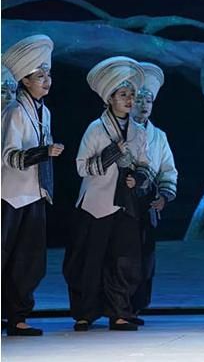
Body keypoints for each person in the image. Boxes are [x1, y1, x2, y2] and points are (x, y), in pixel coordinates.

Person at [63, 56, 151, 332]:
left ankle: (120, 312)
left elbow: (145, 165)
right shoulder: (96, 128)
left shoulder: (138, 131)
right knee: (90, 259)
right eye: (123, 95)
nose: (129, 100)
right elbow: (81, 167)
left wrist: (137, 178)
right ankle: (84, 313)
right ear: (109, 98)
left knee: (124, 260)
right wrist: (113, 153)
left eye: (131, 95)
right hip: (96, 203)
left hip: (125, 204)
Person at [2, 35, 63, 336]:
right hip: (10, 195)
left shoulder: (44, 111)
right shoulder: (14, 110)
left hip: (35, 194)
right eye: (40, 76)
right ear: (25, 80)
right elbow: (9, 155)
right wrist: (43, 152)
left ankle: (17, 317)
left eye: (48, 74)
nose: (47, 80)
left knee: (29, 260)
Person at [129, 62, 178, 323]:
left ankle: (135, 307)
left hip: (146, 203)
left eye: (148, 101)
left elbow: (168, 169)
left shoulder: (158, 135)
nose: (143, 105)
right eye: (138, 100)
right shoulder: (119, 130)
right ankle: (118, 307)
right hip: (121, 202)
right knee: (122, 256)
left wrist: (164, 195)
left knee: (144, 258)